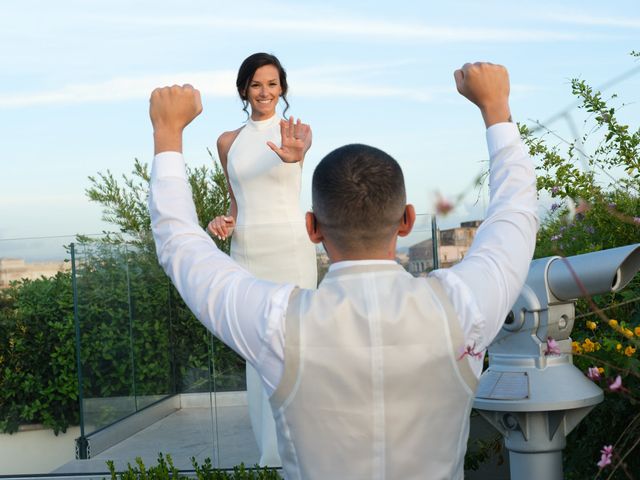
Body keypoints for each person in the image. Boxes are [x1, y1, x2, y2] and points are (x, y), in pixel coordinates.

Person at [148, 61, 538, 479]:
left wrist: (168, 133)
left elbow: (181, 246)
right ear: (406, 220)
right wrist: (495, 108)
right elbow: (515, 213)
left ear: (312, 228)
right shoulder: (463, 307)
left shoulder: (277, 322)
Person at [206, 53, 317, 467]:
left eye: (273, 84)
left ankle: (302, 447)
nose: (265, 92)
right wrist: (224, 221)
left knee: (294, 344)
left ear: (282, 89)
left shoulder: (296, 132)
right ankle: (270, 456)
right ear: (243, 91)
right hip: (248, 252)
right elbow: (237, 204)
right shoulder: (227, 142)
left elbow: (297, 159)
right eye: (256, 84)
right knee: (257, 350)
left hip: (291, 249)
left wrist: (295, 154)